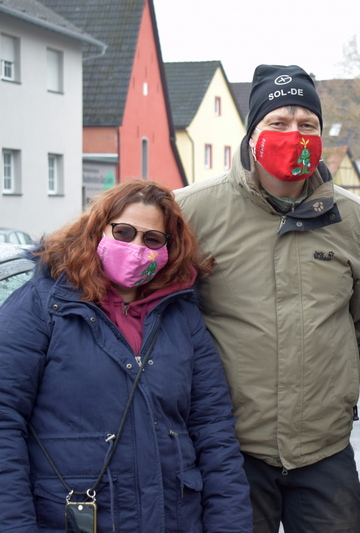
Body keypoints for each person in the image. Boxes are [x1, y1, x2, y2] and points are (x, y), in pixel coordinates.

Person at [175, 64, 360, 533]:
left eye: (308, 125)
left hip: (324, 450)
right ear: (252, 134)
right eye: (279, 123)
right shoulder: (193, 210)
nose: (295, 134)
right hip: (232, 450)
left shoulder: (352, 218)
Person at [0, 180, 252, 532]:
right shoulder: (41, 305)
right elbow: (4, 419)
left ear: (168, 247)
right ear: (98, 230)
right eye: (124, 232)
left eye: (152, 239)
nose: (137, 246)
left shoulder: (182, 316)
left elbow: (213, 430)